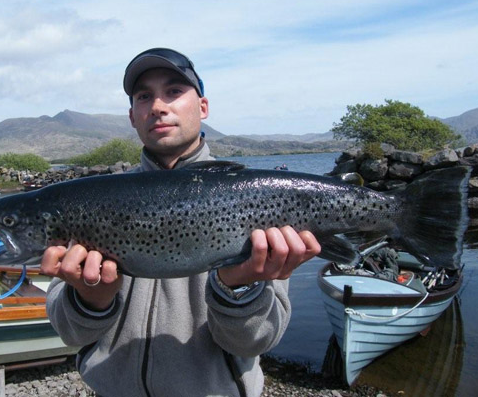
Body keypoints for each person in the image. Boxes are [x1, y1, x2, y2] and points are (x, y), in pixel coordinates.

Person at [41, 48, 321, 397]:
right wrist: (90, 299)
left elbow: (255, 341)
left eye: (173, 91)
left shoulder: (256, 198)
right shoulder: (88, 202)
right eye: (144, 96)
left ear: (202, 107)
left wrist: (237, 288)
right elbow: (72, 335)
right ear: (132, 116)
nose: (158, 105)